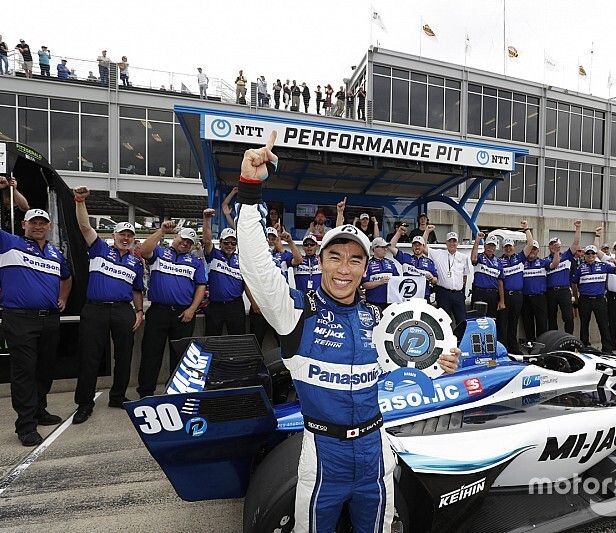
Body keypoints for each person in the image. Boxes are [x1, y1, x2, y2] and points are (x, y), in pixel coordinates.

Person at [235, 131, 460, 531]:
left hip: (376, 449)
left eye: (355, 259)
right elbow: (255, 265)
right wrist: (250, 192)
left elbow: (402, 369)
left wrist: (440, 363)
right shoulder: (295, 312)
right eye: (334, 257)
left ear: (365, 268)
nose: (344, 268)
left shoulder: (377, 318)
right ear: (320, 261)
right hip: (323, 453)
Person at [0, 175, 72, 446]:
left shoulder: (54, 253)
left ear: (48, 227)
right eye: (34, 222)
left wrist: (62, 297)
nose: (38, 226)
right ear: (25, 224)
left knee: (45, 369)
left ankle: (39, 411)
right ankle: (25, 426)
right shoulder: (9, 243)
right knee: (25, 372)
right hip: (20, 319)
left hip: (49, 319)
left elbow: (66, 276)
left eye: (43, 223)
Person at [72, 186, 144, 424]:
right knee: (90, 356)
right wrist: (80, 201)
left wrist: (140, 311)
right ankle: (84, 403)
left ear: (134, 240)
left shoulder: (135, 262)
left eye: (129, 236)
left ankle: (118, 396)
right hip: (95, 309)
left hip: (123, 310)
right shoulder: (99, 248)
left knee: (124, 356)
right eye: (122, 235)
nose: (125, 239)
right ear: (114, 236)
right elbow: (84, 227)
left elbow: (136, 289)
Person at [137, 222, 207, 398]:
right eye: (183, 239)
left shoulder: (195, 262)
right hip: (158, 311)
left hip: (183, 314)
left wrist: (192, 309)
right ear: (176, 237)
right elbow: (144, 251)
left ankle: (175, 392)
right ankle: (146, 393)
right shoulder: (160, 252)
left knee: (180, 355)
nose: (185, 243)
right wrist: (161, 231)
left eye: (190, 242)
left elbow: (201, 286)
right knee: (151, 353)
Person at [201, 208, 246, 336]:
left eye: (233, 243)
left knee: (238, 338)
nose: (230, 245)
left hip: (236, 305)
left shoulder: (241, 259)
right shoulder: (213, 254)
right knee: (212, 338)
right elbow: (207, 241)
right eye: (226, 242)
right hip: (216, 305)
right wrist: (206, 219)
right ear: (220, 243)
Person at [571, 244, 616, 353]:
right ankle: (584, 347)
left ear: (595, 255)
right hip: (584, 300)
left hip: (599, 300)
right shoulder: (580, 268)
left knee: (603, 324)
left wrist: (615, 262)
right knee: (584, 324)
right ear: (585, 255)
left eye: (593, 253)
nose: (590, 255)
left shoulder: (603, 265)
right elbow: (574, 283)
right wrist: (576, 298)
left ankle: (607, 348)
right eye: (588, 253)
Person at [498, 223, 535, 354]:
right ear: (503, 248)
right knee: (502, 324)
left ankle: (513, 349)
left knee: (514, 324)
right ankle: (502, 350)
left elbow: (530, 244)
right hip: (505, 296)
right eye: (506, 247)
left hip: (518, 296)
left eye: (510, 246)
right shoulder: (499, 262)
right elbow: (499, 281)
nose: (508, 249)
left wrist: (526, 229)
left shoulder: (520, 257)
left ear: (514, 247)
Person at [424, 229, 470, 325]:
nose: (452, 243)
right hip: (443, 294)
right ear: (446, 242)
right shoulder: (438, 254)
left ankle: (460, 340)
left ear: (458, 243)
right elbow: (423, 248)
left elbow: (465, 276)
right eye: (450, 241)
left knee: (462, 322)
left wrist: (461, 291)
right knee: (444, 323)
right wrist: (427, 232)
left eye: (454, 241)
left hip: (458, 295)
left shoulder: (463, 257)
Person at [545, 221, 582, 334]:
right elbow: (554, 264)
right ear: (549, 246)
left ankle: (569, 342)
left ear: (560, 246)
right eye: (552, 244)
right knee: (551, 318)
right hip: (550, 292)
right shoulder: (545, 260)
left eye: (556, 245)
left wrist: (578, 228)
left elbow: (575, 244)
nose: (553, 246)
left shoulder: (566, 256)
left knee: (568, 317)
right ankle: (554, 342)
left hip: (564, 291)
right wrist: (556, 253)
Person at [521, 241, 559, 343]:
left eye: (534, 249)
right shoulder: (521, 263)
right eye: (530, 249)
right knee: (527, 323)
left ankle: (541, 344)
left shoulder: (543, 262)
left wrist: (556, 252)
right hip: (525, 298)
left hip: (540, 297)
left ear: (538, 251)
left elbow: (554, 264)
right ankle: (530, 345)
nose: (532, 251)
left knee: (542, 323)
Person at [388, 228, 438, 301]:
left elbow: (435, 280)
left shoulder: (429, 262)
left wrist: (431, 278)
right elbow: (391, 247)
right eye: (415, 245)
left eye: (419, 245)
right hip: (408, 296)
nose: (417, 247)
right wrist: (398, 233)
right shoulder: (405, 258)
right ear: (412, 247)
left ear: (423, 246)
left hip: (424, 295)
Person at [470, 232, 504, 333]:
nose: (490, 248)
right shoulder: (480, 257)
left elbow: (500, 282)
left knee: (491, 320)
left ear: (495, 248)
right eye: (488, 245)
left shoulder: (498, 262)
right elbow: (473, 259)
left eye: (493, 246)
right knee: (477, 320)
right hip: (479, 293)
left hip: (493, 295)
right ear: (485, 246)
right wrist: (477, 240)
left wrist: (501, 301)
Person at [361, 237, 399, 311]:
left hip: (390, 303)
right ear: (375, 248)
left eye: (386, 247)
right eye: (383, 247)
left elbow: (397, 281)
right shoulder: (367, 264)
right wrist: (379, 282)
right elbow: (364, 285)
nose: (386, 249)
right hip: (373, 303)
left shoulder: (391, 263)